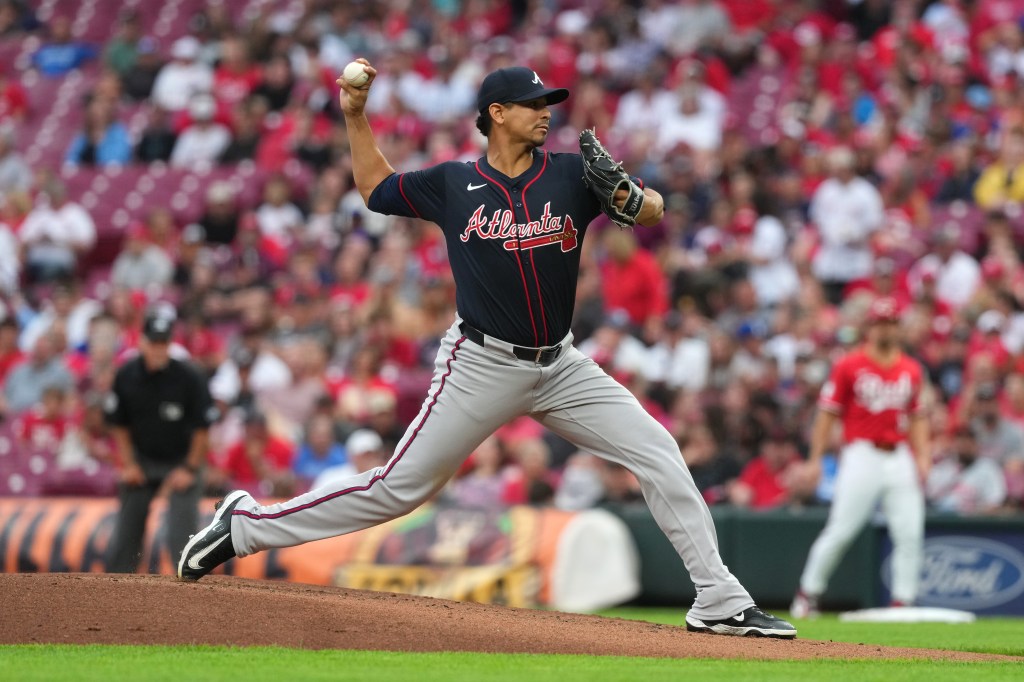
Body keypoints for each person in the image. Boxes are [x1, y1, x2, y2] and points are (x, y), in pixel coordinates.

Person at [178, 61, 796, 639]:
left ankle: (717, 596)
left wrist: (636, 200)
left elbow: (652, 209)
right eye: (532, 104)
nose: (546, 112)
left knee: (657, 449)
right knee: (398, 489)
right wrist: (355, 115)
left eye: (549, 103)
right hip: (481, 362)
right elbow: (375, 188)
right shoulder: (456, 182)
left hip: (560, 365)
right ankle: (245, 526)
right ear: (497, 113)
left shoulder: (570, 174)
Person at [790, 297, 930, 619]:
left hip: (899, 455)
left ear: (898, 327)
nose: (886, 328)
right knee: (841, 529)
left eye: (891, 322)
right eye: (880, 322)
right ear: (870, 326)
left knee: (909, 532)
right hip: (862, 454)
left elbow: (919, 416)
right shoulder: (849, 364)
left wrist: (923, 455)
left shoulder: (911, 368)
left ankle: (903, 602)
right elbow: (827, 415)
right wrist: (815, 459)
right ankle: (808, 593)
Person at [104, 306, 217, 573]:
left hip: (181, 459)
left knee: (182, 536)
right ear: (142, 342)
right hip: (142, 460)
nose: (158, 349)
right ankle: (116, 589)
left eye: (163, 343)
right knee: (125, 537)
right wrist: (128, 464)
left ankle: (189, 587)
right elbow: (119, 425)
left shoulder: (189, 377)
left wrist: (190, 468)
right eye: (153, 342)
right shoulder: (126, 375)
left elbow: (203, 428)